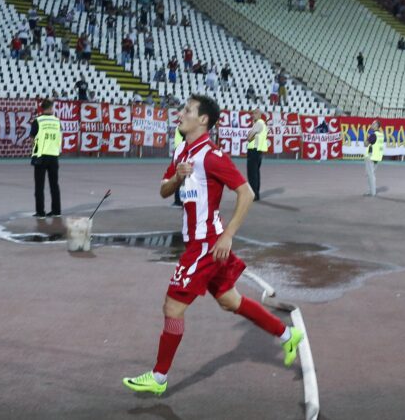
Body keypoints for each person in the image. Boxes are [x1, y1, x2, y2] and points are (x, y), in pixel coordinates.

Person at [122, 95, 303, 396]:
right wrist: (177, 180)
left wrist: (228, 233)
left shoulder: (211, 155)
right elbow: (163, 190)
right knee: (230, 301)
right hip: (199, 242)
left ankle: (159, 376)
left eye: (187, 111)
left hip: (206, 243)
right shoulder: (182, 150)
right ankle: (286, 334)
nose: (179, 114)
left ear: (203, 120)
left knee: (172, 306)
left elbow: (246, 193)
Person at [29, 99, 62, 217]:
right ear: (50, 108)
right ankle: (57, 211)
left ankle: (40, 212)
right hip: (53, 156)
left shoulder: (38, 120)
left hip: (41, 156)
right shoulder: (57, 121)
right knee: (54, 185)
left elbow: (32, 138)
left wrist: (35, 147)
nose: (53, 110)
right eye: (52, 107)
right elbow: (59, 137)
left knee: (39, 186)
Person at [245, 109, 268, 201]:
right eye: (252, 113)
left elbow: (249, 137)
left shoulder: (258, 123)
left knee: (252, 173)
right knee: (256, 173)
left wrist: (250, 135)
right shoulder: (262, 124)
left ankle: (254, 194)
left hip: (254, 150)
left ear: (260, 114)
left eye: (255, 113)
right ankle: (256, 193)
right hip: (258, 150)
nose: (253, 115)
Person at [364, 120, 384, 196]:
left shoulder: (373, 135)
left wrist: (367, 137)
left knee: (370, 175)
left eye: (373, 123)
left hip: (371, 156)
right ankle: (371, 191)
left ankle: (372, 192)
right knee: (371, 174)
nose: (371, 124)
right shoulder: (381, 135)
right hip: (377, 156)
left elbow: (366, 144)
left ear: (376, 125)